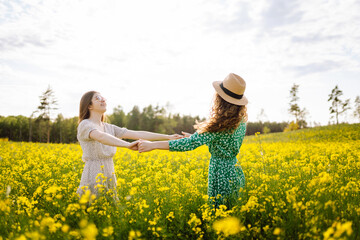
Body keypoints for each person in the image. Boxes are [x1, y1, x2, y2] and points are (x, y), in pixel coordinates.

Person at [138, 73, 248, 209]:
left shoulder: (218, 124)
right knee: (234, 213)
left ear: (220, 99)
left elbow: (188, 145)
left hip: (221, 174)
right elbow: (223, 141)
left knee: (220, 214)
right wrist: (195, 137)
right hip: (235, 170)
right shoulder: (241, 121)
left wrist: (153, 145)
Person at [76, 91, 182, 200]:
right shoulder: (85, 124)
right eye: (97, 98)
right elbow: (101, 137)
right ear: (89, 105)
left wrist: (167, 136)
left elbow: (137, 134)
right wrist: (127, 145)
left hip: (109, 172)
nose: (103, 99)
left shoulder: (109, 127)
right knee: (92, 209)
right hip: (93, 173)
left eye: (103, 97)